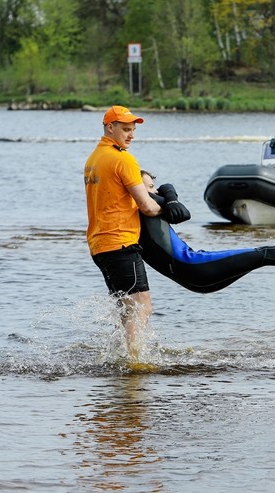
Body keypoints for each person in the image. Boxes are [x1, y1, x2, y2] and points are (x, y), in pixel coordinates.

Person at [84, 106, 191, 359]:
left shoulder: (93, 160)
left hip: (99, 245)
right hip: (121, 243)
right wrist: (169, 206)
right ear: (110, 127)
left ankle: (121, 355)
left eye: (133, 130)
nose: (131, 135)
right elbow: (147, 206)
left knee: (126, 308)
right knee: (141, 307)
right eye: (125, 129)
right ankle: (135, 362)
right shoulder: (124, 160)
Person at [139, 170, 275, 294]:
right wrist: (170, 198)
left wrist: (167, 195)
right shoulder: (141, 204)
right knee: (264, 254)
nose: (155, 191)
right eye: (150, 187)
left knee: (266, 253)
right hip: (196, 266)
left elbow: (169, 190)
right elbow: (182, 212)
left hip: (193, 275)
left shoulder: (145, 205)